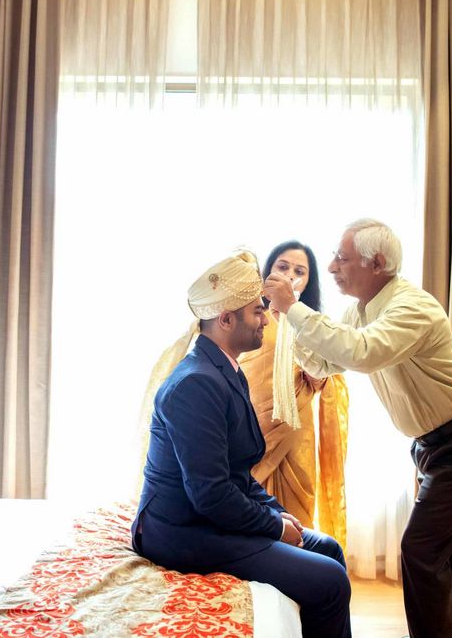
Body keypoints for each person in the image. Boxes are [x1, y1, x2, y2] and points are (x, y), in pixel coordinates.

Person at [263, 219, 452, 638]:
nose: (332, 267)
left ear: (376, 263)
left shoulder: (412, 307)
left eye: (342, 258)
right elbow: (326, 363)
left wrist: (295, 309)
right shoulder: (361, 309)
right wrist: (289, 325)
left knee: (421, 551)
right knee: (445, 552)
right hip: (437, 442)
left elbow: (363, 352)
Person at [132, 251, 352, 638]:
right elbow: (211, 494)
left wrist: (280, 515)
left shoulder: (225, 370)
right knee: (330, 579)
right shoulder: (196, 385)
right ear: (226, 319)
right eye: (257, 312)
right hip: (180, 530)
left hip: (208, 517)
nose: (266, 319)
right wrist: (271, 526)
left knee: (328, 548)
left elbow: (239, 472)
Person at [238, 241, 349, 544]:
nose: (290, 276)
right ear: (267, 271)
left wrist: (317, 373)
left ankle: (295, 572)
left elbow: (328, 375)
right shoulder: (250, 314)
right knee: (246, 498)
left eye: (300, 272)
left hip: (294, 429)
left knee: (296, 507)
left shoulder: (312, 323)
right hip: (250, 423)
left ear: (308, 281)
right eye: (283, 267)